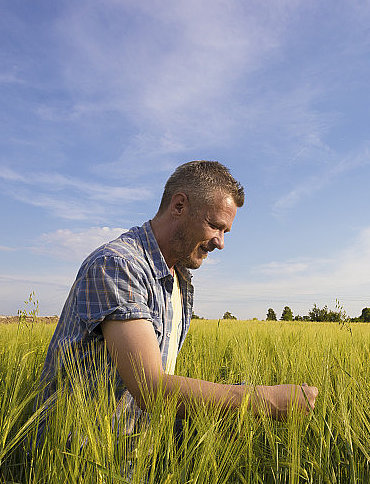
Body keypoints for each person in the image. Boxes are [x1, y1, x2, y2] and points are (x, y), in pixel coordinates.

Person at [36, 160, 318, 440]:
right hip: (79, 457)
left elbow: (142, 394)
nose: (220, 242)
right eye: (214, 226)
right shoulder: (119, 265)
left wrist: (224, 413)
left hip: (131, 449)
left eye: (225, 232)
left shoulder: (178, 277)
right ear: (179, 206)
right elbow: (150, 389)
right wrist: (262, 401)